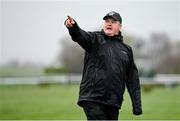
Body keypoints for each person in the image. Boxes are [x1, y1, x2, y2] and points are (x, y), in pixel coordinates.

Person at [65, 11, 142, 120]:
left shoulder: (126, 50)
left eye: (113, 21)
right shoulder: (94, 39)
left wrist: (137, 105)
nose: (109, 24)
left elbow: (132, 79)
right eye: (107, 21)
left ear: (119, 26)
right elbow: (81, 36)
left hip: (113, 102)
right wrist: (73, 27)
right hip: (92, 99)